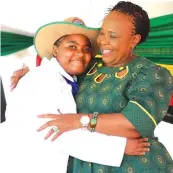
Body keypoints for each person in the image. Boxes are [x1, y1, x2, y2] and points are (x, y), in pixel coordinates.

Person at [36, 1, 173, 172]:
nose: (103, 41)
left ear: (134, 40)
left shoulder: (150, 73)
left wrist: (80, 120)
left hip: (134, 163)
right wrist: (28, 73)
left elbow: (136, 125)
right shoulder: (89, 66)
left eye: (113, 36)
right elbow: (60, 70)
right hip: (84, 162)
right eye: (102, 33)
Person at [0, 16, 149, 173]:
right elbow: (58, 133)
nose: (80, 54)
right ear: (55, 50)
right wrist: (122, 147)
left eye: (86, 49)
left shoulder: (68, 79)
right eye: (72, 47)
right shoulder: (42, 80)